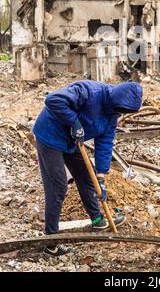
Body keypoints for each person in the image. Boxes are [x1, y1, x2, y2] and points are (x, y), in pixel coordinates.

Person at [33, 80, 143, 256]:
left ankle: (98, 219)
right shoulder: (89, 91)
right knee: (58, 186)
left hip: (73, 142)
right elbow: (53, 100)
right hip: (50, 136)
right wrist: (74, 122)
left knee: (87, 178)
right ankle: (50, 241)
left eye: (123, 111)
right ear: (114, 99)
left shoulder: (112, 115)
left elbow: (105, 144)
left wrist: (101, 177)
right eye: (119, 109)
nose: (119, 113)